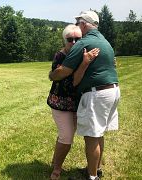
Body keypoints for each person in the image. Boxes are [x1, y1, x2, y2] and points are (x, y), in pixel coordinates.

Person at [49, 11, 120, 180]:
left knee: (93, 136)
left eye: (78, 22)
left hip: (97, 94)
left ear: (83, 24)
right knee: (98, 133)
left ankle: (92, 176)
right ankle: (95, 169)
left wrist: (52, 75)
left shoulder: (85, 43)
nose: (75, 41)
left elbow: (63, 74)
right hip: (112, 91)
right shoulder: (104, 41)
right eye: (70, 39)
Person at [47, 24, 100, 180]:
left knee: (65, 135)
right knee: (67, 136)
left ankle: (55, 162)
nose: (75, 43)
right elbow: (69, 83)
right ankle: (57, 168)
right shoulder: (60, 56)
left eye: (78, 39)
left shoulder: (83, 54)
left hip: (78, 103)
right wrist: (84, 63)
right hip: (61, 103)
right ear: (65, 40)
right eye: (70, 40)